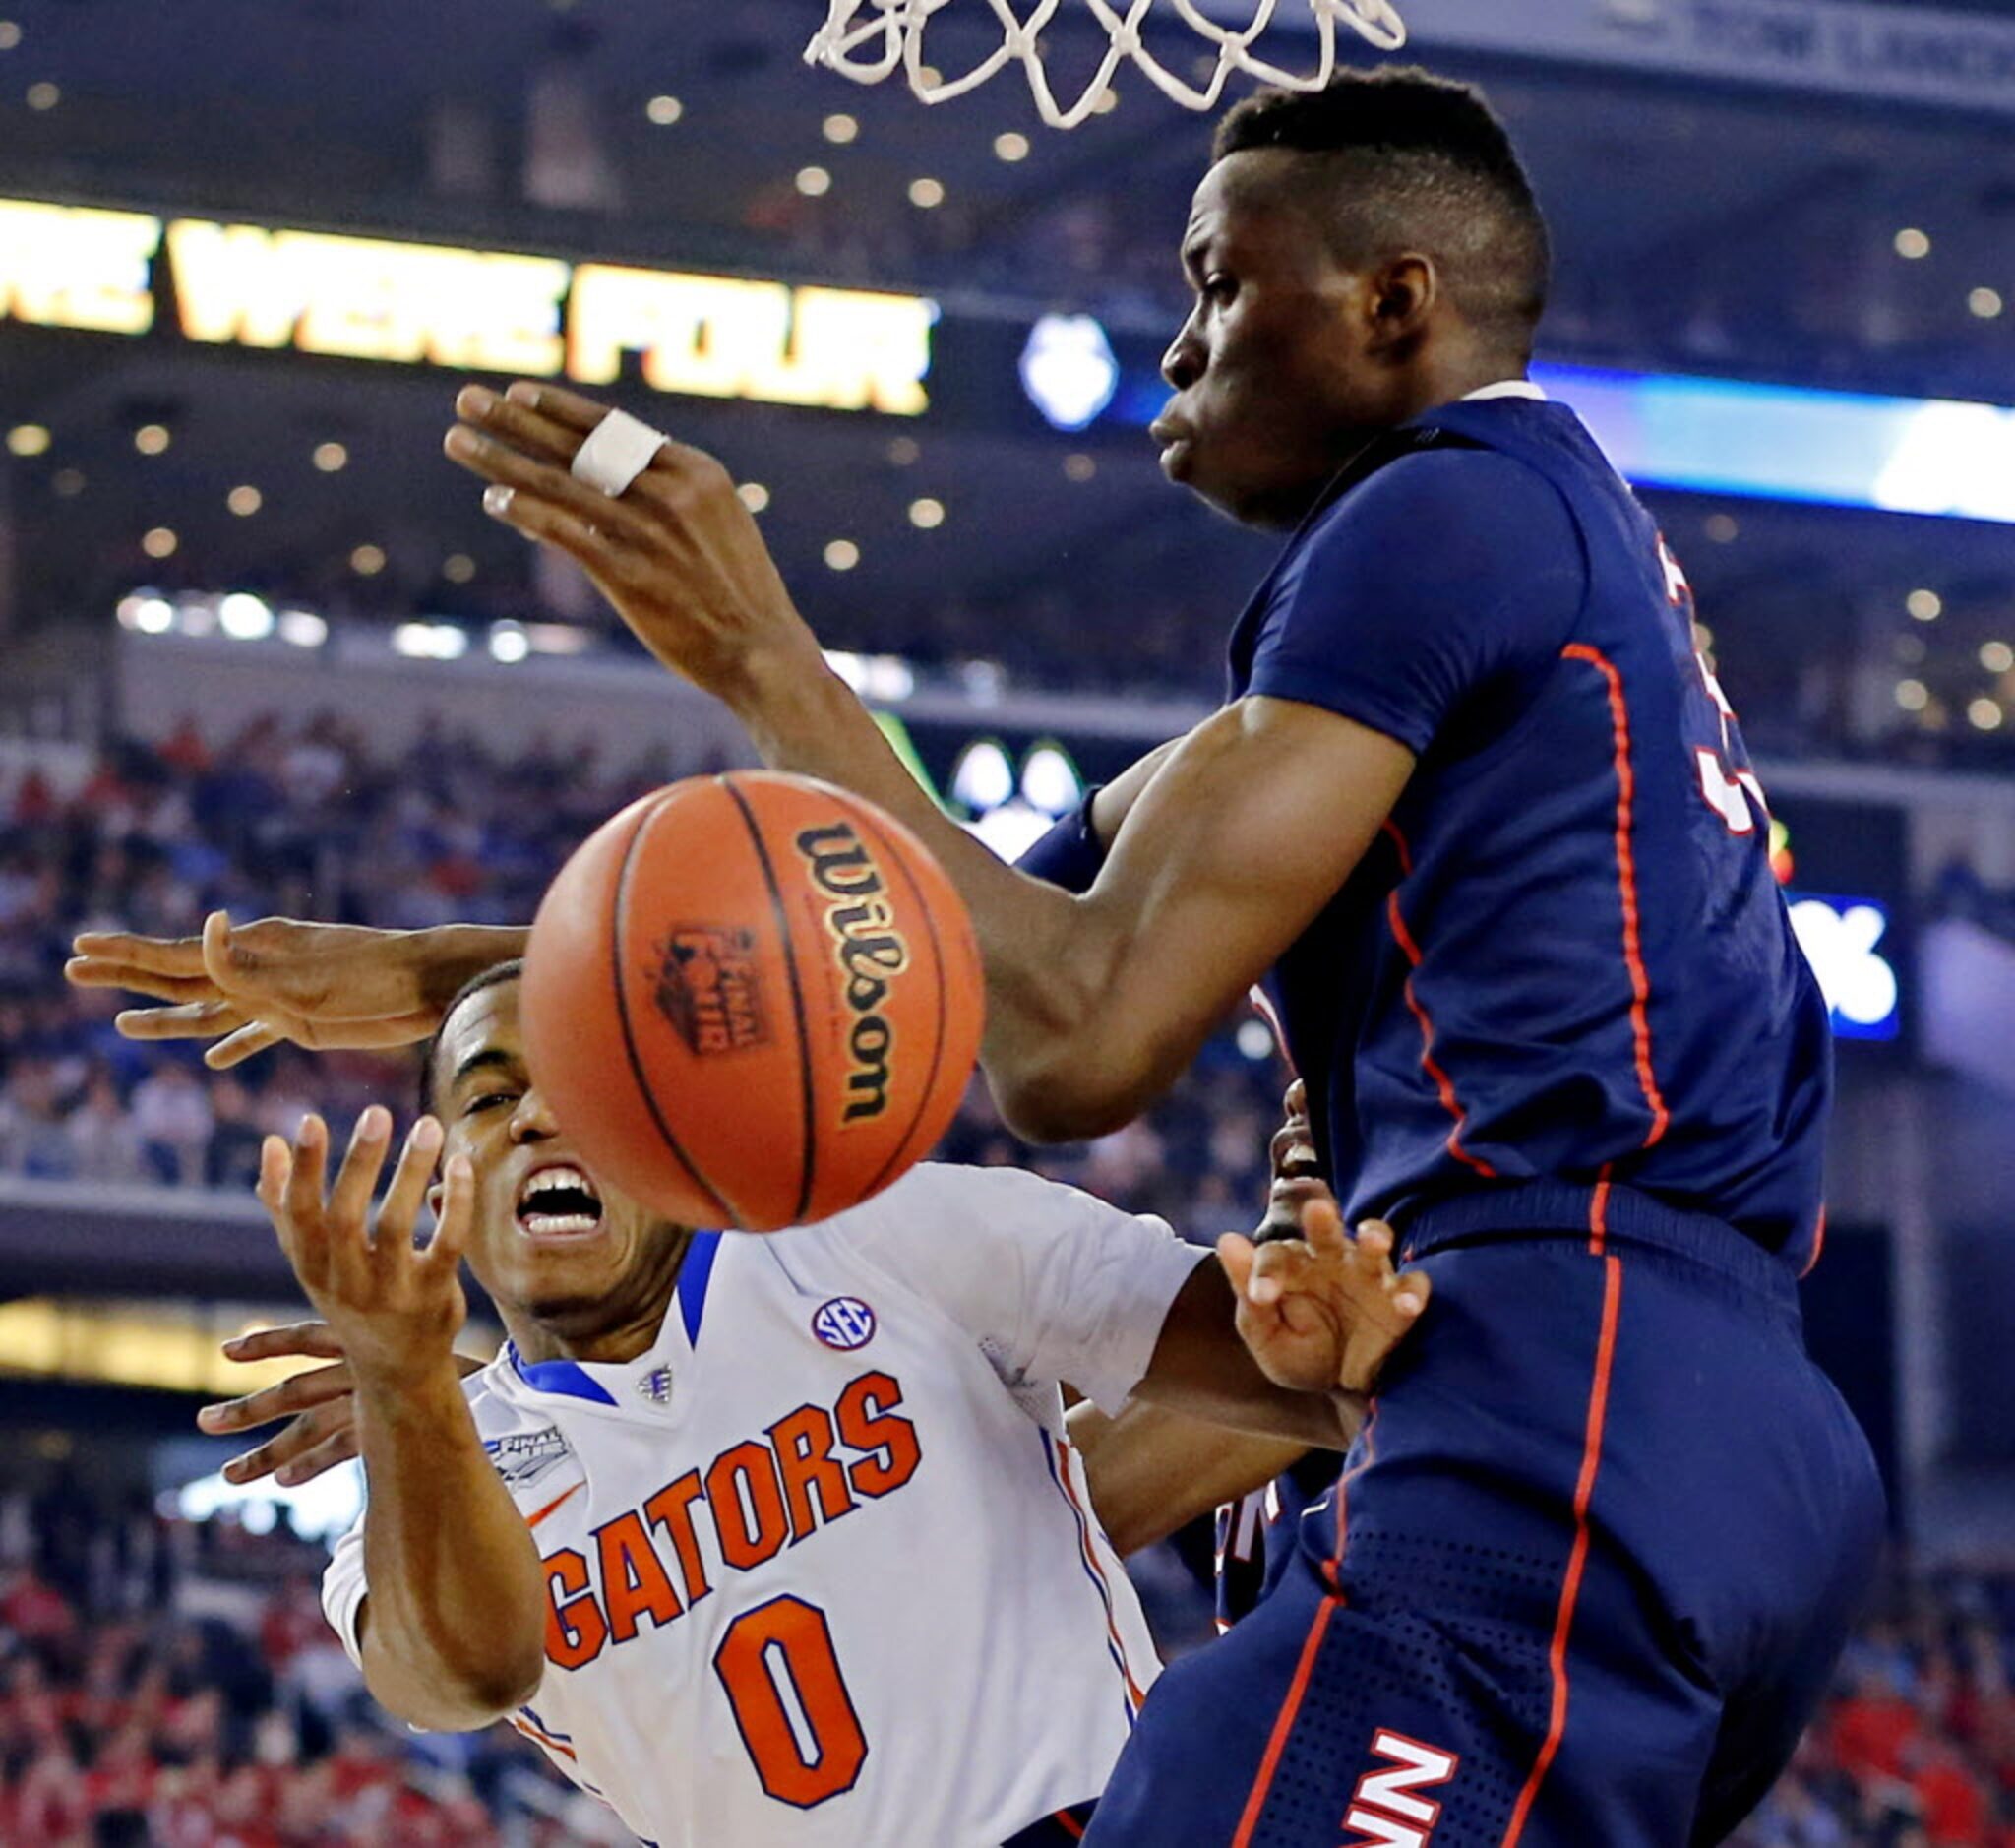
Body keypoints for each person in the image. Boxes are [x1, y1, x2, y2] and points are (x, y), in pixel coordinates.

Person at [71, 63, 1885, 1845]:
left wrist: (764, 658)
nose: (1176, 345)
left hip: (1546, 1383)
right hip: (1696, 1420)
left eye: (1215, 282)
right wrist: (486, 982)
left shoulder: (1434, 514)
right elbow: (952, 938)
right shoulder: (1518, 569)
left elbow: (1067, 1037)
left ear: (1391, 300)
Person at [217, 958, 1420, 1848]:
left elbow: (1293, 1381)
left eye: (581, 1080)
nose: (535, 1113)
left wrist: (1318, 1303)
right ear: (446, 1175)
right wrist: (406, 1378)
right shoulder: (438, 1471)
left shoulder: (883, 1231)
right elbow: (455, 1679)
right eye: (487, 1099)